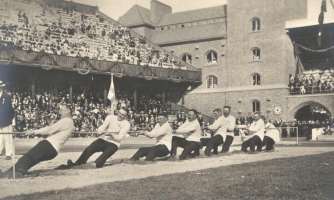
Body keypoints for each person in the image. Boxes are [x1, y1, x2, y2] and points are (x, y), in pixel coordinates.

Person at [0, 105, 74, 178]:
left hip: (49, 146)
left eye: (62, 110)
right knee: (30, 160)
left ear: (68, 111)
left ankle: (13, 173)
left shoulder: (66, 121)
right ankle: (12, 172)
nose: (60, 112)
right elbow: (51, 131)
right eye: (60, 110)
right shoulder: (69, 122)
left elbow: (49, 130)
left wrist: (33, 132)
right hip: (52, 149)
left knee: (27, 158)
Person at [0, 80, 15, 160]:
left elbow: (10, 109)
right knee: (0, 137)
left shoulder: (6, 97)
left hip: (6, 120)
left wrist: (10, 119)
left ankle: (8, 153)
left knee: (7, 137)